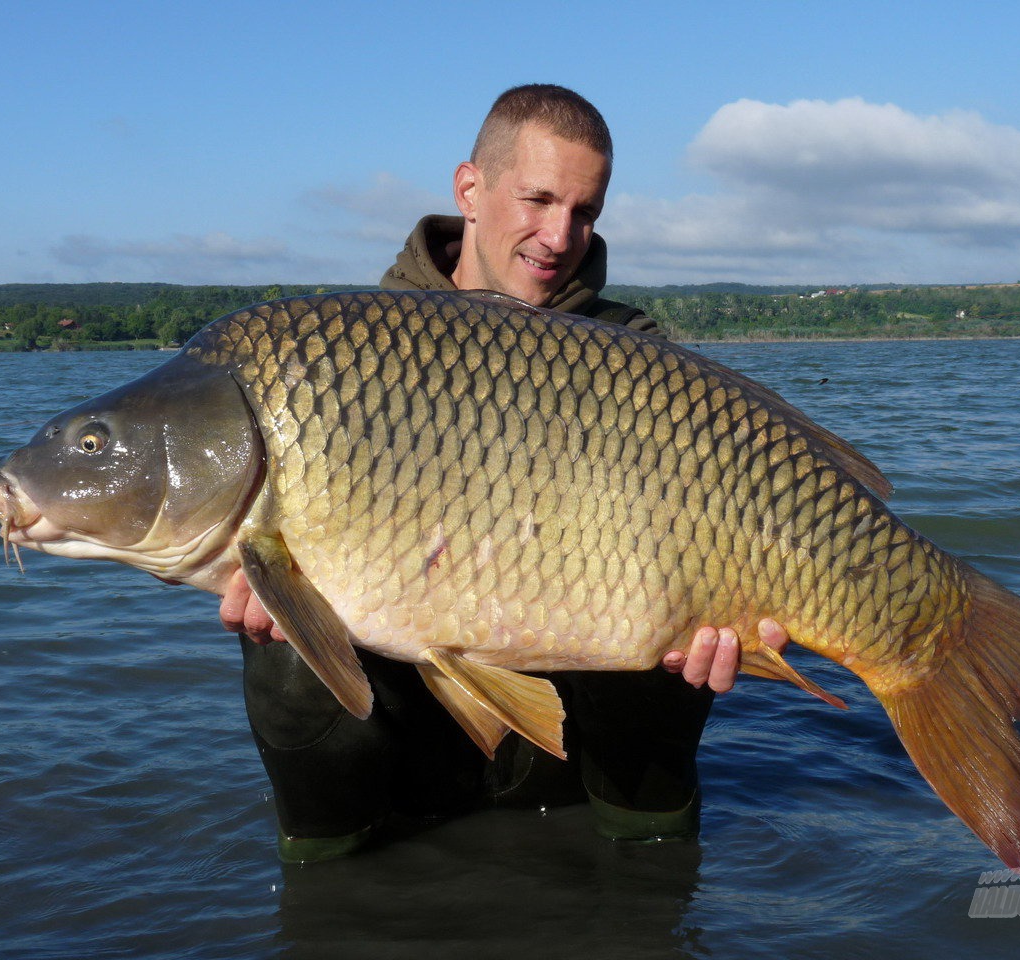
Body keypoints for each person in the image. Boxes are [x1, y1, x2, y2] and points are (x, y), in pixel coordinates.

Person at [222, 84, 789, 862]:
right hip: (412, 760)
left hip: (593, 758)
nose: (560, 236)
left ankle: (647, 860)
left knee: (666, 648)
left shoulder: (634, 355)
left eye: (584, 211)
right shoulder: (355, 350)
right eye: (538, 199)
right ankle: (332, 870)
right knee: (284, 639)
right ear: (470, 189)